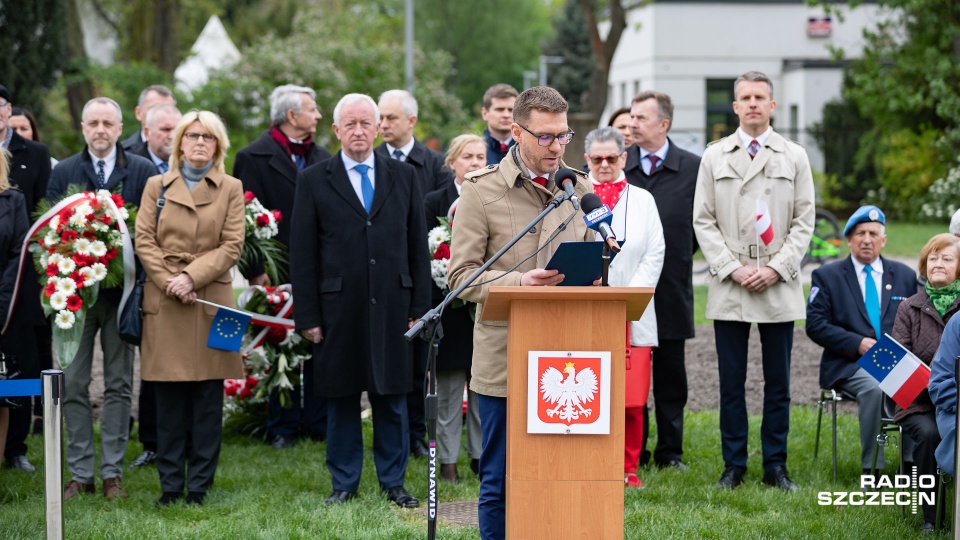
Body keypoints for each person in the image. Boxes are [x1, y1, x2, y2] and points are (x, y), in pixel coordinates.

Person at [447, 86, 593, 540]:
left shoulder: (578, 188)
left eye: (563, 136)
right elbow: (460, 277)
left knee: (560, 475)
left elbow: (589, 259)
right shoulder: (481, 190)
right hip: (504, 355)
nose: (557, 146)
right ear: (517, 132)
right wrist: (518, 283)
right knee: (499, 479)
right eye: (546, 137)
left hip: (568, 358)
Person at [290, 93, 429, 508]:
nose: (359, 131)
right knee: (342, 397)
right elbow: (302, 254)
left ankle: (394, 482)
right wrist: (308, 315)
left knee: (392, 397)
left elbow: (417, 247)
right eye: (349, 124)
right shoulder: (314, 179)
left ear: (378, 128)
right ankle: (344, 482)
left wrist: (418, 309)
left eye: (366, 123)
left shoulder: (403, 177)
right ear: (335, 130)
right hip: (337, 310)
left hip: (393, 305)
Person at [693, 71, 814, 491]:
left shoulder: (794, 155)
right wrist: (732, 268)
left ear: (772, 105)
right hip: (732, 279)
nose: (752, 104)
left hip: (776, 279)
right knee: (732, 381)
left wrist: (776, 268)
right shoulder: (715, 156)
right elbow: (703, 221)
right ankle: (734, 464)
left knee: (778, 382)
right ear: (735, 107)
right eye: (744, 97)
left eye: (760, 97)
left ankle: (775, 465)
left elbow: (804, 221)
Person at [47, 97, 156, 501]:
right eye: (93, 122)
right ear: (82, 127)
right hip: (74, 299)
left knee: (119, 384)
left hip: (121, 296)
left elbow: (148, 232)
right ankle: (81, 473)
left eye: (108, 123)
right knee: (74, 383)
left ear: (120, 126)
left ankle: (111, 473)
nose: (100, 130)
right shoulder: (64, 171)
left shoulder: (141, 171)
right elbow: (49, 232)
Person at [135, 110, 245, 506]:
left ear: (218, 146)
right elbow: (143, 239)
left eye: (208, 137)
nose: (200, 142)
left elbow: (232, 245)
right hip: (165, 301)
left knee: (206, 399)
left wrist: (191, 278)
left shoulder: (231, 187)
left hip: (211, 301)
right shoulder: (155, 185)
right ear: (179, 142)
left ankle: (198, 485)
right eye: (192, 135)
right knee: (168, 400)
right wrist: (170, 281)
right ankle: (169, 486)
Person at [233, 84, 331, 450]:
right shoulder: (252, 157)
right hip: (275, 268)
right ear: (292, 116)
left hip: (318, 265)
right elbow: (243, 216)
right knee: (282, 342)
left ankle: (318, 422)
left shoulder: (322, 155)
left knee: (318, 341)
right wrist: (256, 268)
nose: (319, 115)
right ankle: (282, 426)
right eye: (312, 108)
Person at [806, 205, 917, 478]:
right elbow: (815, 325)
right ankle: (874, 470)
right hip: (848, 363)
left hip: (895, 361)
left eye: (873, 233)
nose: (866, 239)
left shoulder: (904, 275)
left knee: (917, 386)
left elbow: (917, 321)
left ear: (884, 239)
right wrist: (858, 343)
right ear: (849, 239)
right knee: (875, 387)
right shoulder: (827, 276)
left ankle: (913, 466)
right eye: (860, 233)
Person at [623, 90, 701, 470]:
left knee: (671, 376)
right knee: (630, 370)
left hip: (670, 289)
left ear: (663, 125)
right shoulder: (622, 166)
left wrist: (681, 256)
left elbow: (700, 226)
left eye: (641, 118)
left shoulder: (692, 168)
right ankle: (632, 448)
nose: (632, 124)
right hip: (627, 291)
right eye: (632, 117)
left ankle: (670, 452)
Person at [583, 126, 664, 488]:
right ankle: (591, 460)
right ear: (586, 160)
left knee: (631, 400)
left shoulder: (643, 200)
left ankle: (628, 467)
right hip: (585, 308)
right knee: (591, 390)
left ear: (623, 158)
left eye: (611, 158)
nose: (604, 164)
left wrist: (627, 295)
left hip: (633, 310)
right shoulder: (573, 199)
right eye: (596, 158)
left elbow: (655, 252)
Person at [375, 89, 452, 458]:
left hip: (426, 274)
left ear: (411, 121)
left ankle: (417, 434)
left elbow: (441, 216)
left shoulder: (435, 165)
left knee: (420, 363)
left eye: (391, 118)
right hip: (385, 275)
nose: (383, 125)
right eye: (381, 118)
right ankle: (391, 433)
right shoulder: (369, 161)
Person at [422, 134, 485, 483]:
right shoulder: (434, 201)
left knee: (481, 390)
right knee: (447, 394)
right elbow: (422, 249)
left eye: (480, 156)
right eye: (467, 157)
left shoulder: (494, 198)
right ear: (452, 164)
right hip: (447, 310)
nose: (475, 162)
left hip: (482, 311)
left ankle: (479, 456)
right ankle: (447, 462)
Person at [125, 102, 182, 470]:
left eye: (176, 130)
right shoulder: (137, 169)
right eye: (165, 130)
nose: (172, 137)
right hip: (148, 280)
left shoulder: (195, 166)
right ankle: (151, 441)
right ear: (146, 132)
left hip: (191, 283)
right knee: (154, 366)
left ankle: (185, 439)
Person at [891, 233, 960, 532]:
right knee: (931, 434)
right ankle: (931, 517)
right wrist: (934, 386)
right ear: (923, 264)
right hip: (918, 403)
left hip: (956, 400)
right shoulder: (909, 307)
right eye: (933, 258)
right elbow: (894, 369)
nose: (938, 263)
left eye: (947, 258)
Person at [0, 85, 51, 472]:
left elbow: (24, 240)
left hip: (14, 294)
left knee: (17, 371)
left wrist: (5, 297)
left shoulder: (31, 161)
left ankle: (16, 445)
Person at [0, 149, 31, 473]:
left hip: (4, 309)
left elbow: (17, 255)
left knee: (3, 390)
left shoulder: (14, 200)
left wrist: (0, 306)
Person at [121, 85, 176, 156]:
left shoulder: (186, 151)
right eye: (155, 109)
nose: (162, 115)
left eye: (168, 110)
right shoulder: (123, 153)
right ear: (139, 113)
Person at [480, 84, 519, 166]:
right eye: (499, 109)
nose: (506, 115)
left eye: (511, 110)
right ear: (485, 113)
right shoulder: (474, 152)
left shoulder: (527, 150)